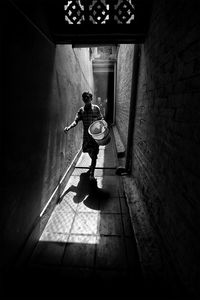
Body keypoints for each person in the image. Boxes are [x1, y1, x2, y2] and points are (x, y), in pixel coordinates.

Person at [64, 92, 104, 180]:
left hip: (95, 136)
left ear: (91, 98)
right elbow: (76, 121)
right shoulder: (81, 111)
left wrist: (103, 127)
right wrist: (69, 127)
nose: (86, 99)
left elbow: (101, 119)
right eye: (84, 98)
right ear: (83, 99)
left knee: (94, 154)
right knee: (89, 152)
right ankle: (93, 161)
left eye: (88, 97)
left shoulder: (96, 108)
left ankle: (92, 174)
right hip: (86, 136)